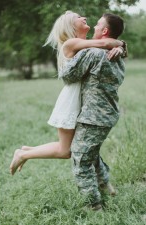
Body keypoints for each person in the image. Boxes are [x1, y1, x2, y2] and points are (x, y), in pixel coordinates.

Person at [9, 11, 126, 176]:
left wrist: (119, 48)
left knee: (76, 147)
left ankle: (28, 151)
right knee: (66, 151)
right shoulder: (72, 43)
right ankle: (23, 154)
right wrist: (119, 44)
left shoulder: (85, 43)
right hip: (71, 99)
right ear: (72, 26)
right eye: (79, 18)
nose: (85, 18)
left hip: (83, 101)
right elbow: (103, 44)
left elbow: (104, 45)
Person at [59, 13, 125, 210]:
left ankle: (94, 207)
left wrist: (70, 52)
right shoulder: (116, 53)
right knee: (91, 153)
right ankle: (106, 186)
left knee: (81, 158)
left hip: (93, 117)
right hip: (108, 113)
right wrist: (120, 45)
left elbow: (67, 75)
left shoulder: (93, 53)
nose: (94, 27)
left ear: (104, 31)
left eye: (97, 25)